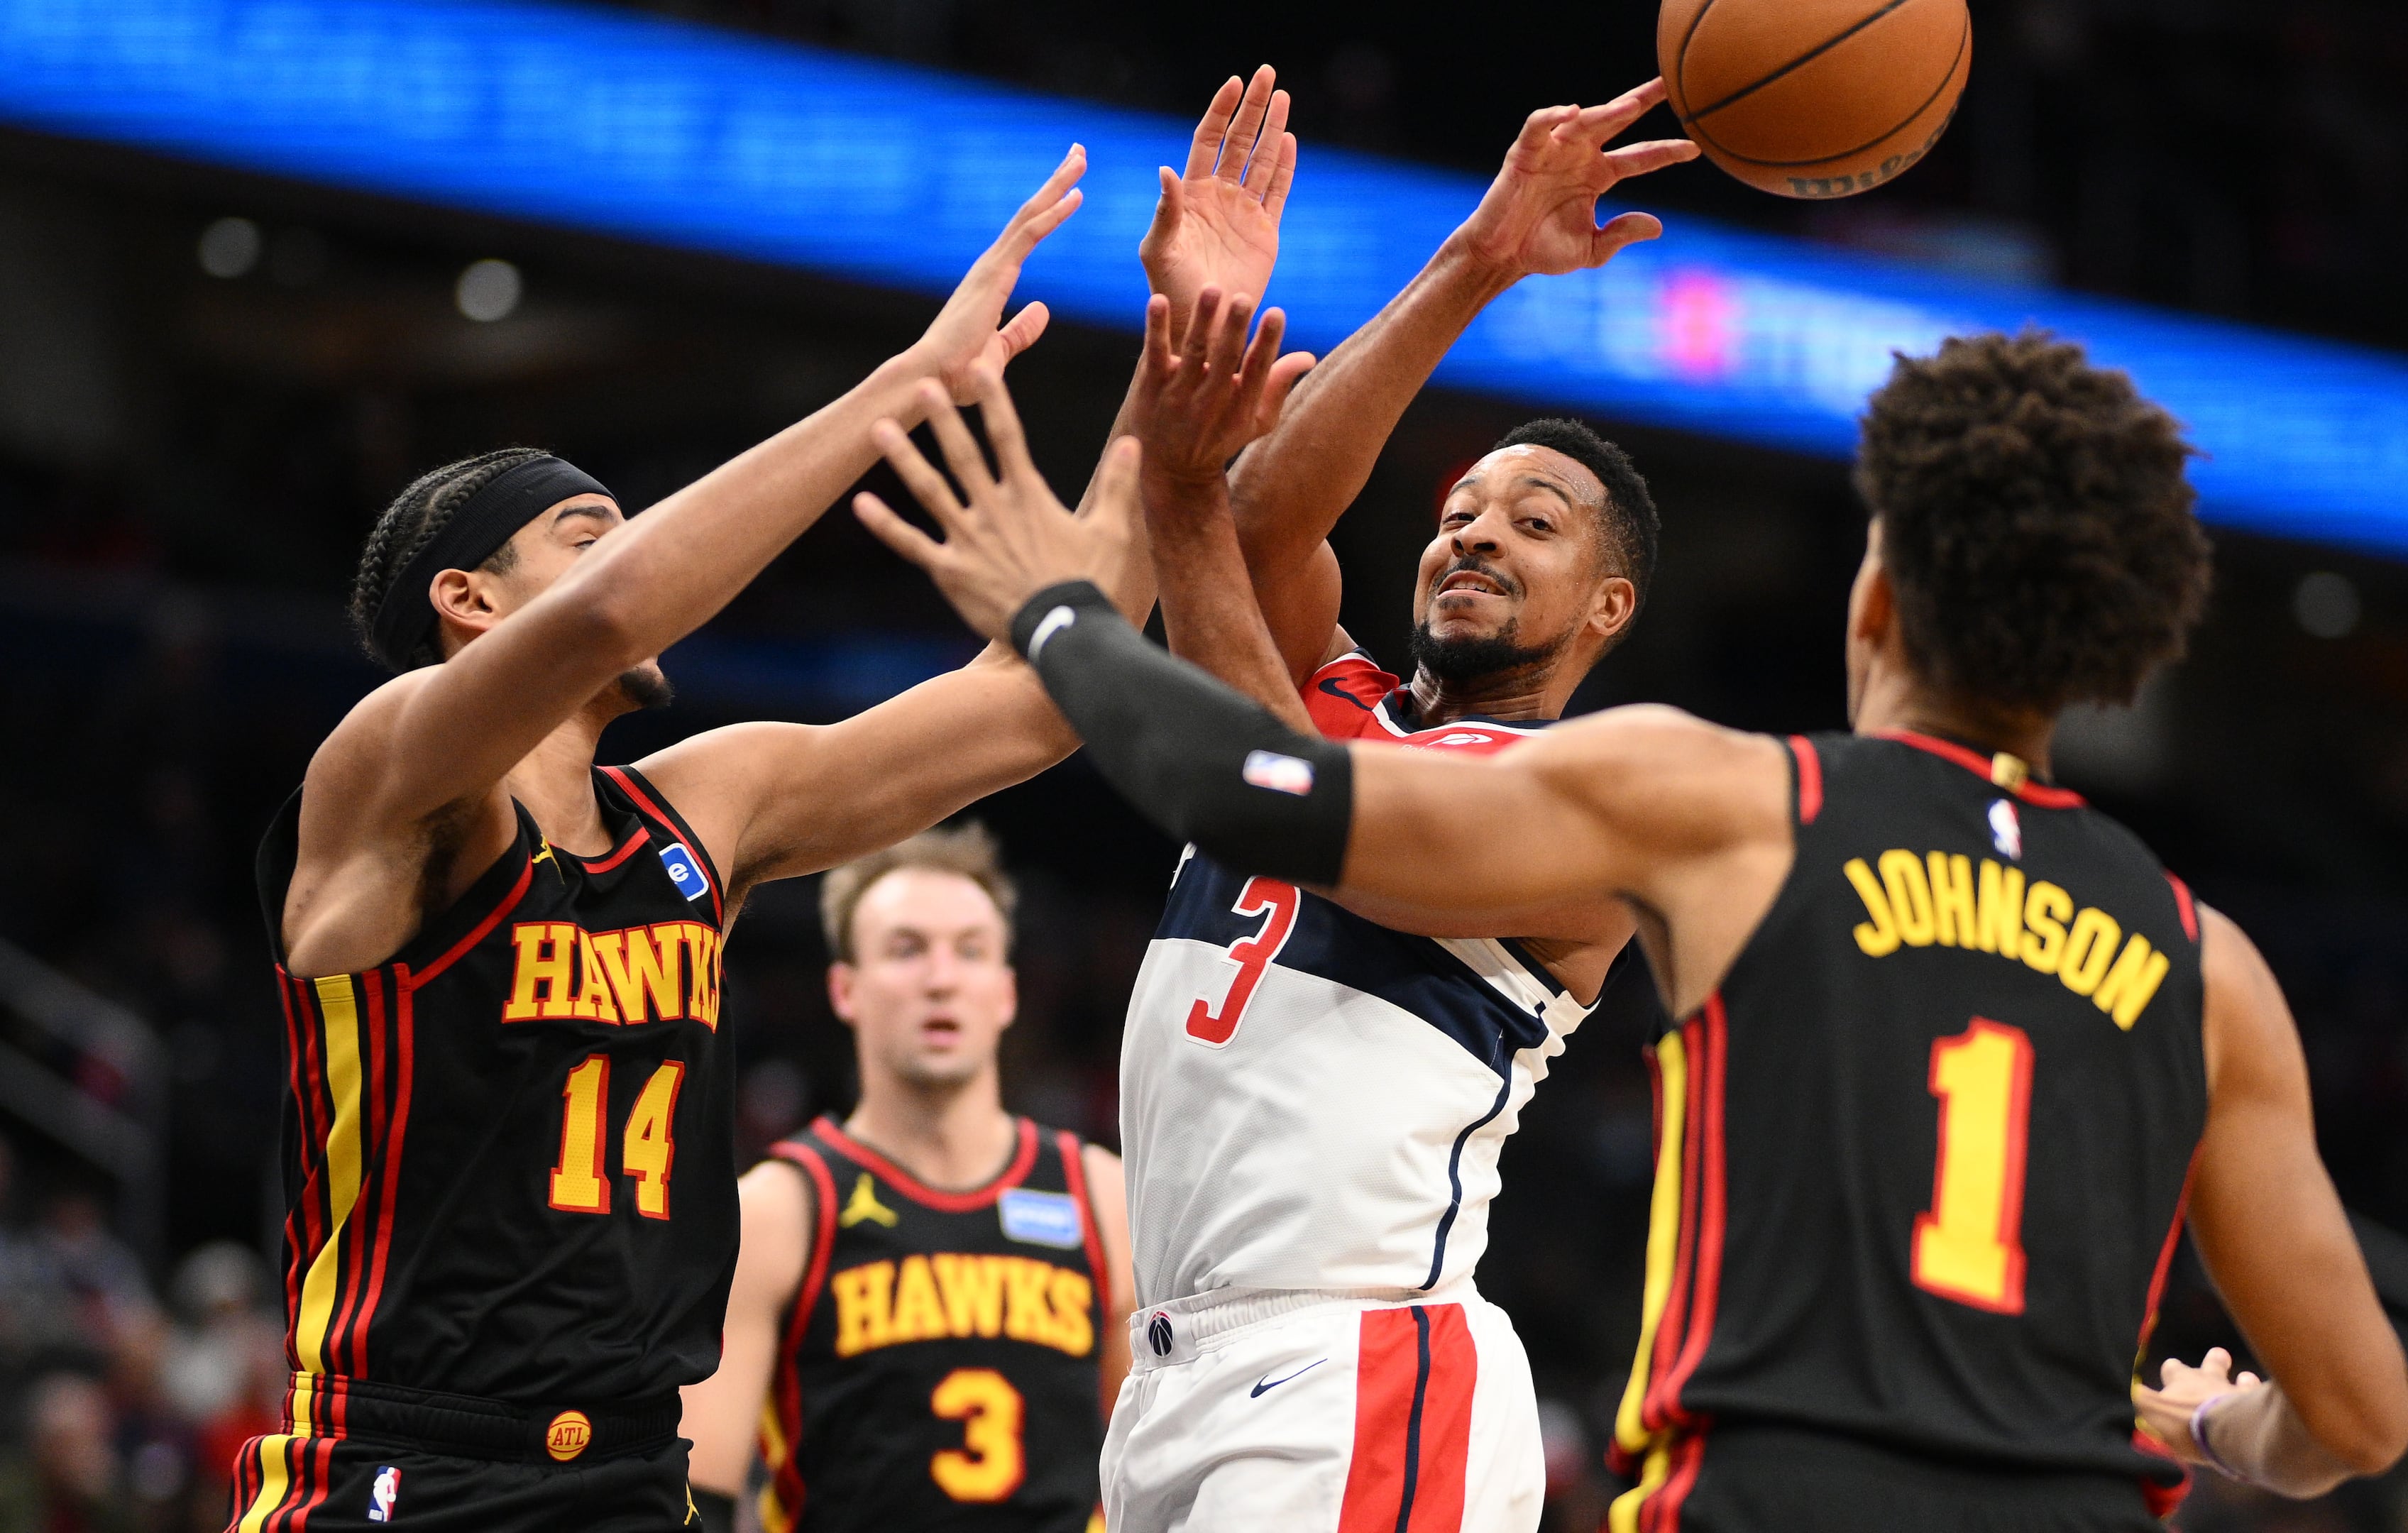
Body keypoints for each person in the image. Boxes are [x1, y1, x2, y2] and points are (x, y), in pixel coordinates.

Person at [852, 329, 2408, 1533]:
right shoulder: (2205, 960)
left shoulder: (1734, 803)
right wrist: (2220, 1434)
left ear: (1872, 605)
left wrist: (1055, 606)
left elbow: (1258, 791)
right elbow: (2360, 1417)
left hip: (1745, 1481)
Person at [233, 150, 1151, 1532]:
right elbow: (607, 616)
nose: (641, 564)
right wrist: (904, 389)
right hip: (405, 1463)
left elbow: (1030, 709)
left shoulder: (700, 809)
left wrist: (1171, 413)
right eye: (590, 531)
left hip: (631, 1472)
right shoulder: (385, 769)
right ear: (471, 600)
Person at [1072, 77, 1693, 1533]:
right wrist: (1478, 257)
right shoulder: (1322, 693)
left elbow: (1293, 802)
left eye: (1533, 524)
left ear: (1609, 605)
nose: (1475, 530)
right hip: (1174, 1368)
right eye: (1459, 509)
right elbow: (1255, 526)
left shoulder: (1589, 807)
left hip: (1362, 1362)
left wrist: (1177, 498)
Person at [677, 825, 1133, 1531]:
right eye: (906, 949)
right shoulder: (778, 1211)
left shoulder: (1103, 1198)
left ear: (1007, 992)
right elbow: (697, 1494)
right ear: (845, 989)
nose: (941, 978)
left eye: (971, 951)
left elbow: (1156, 1465)